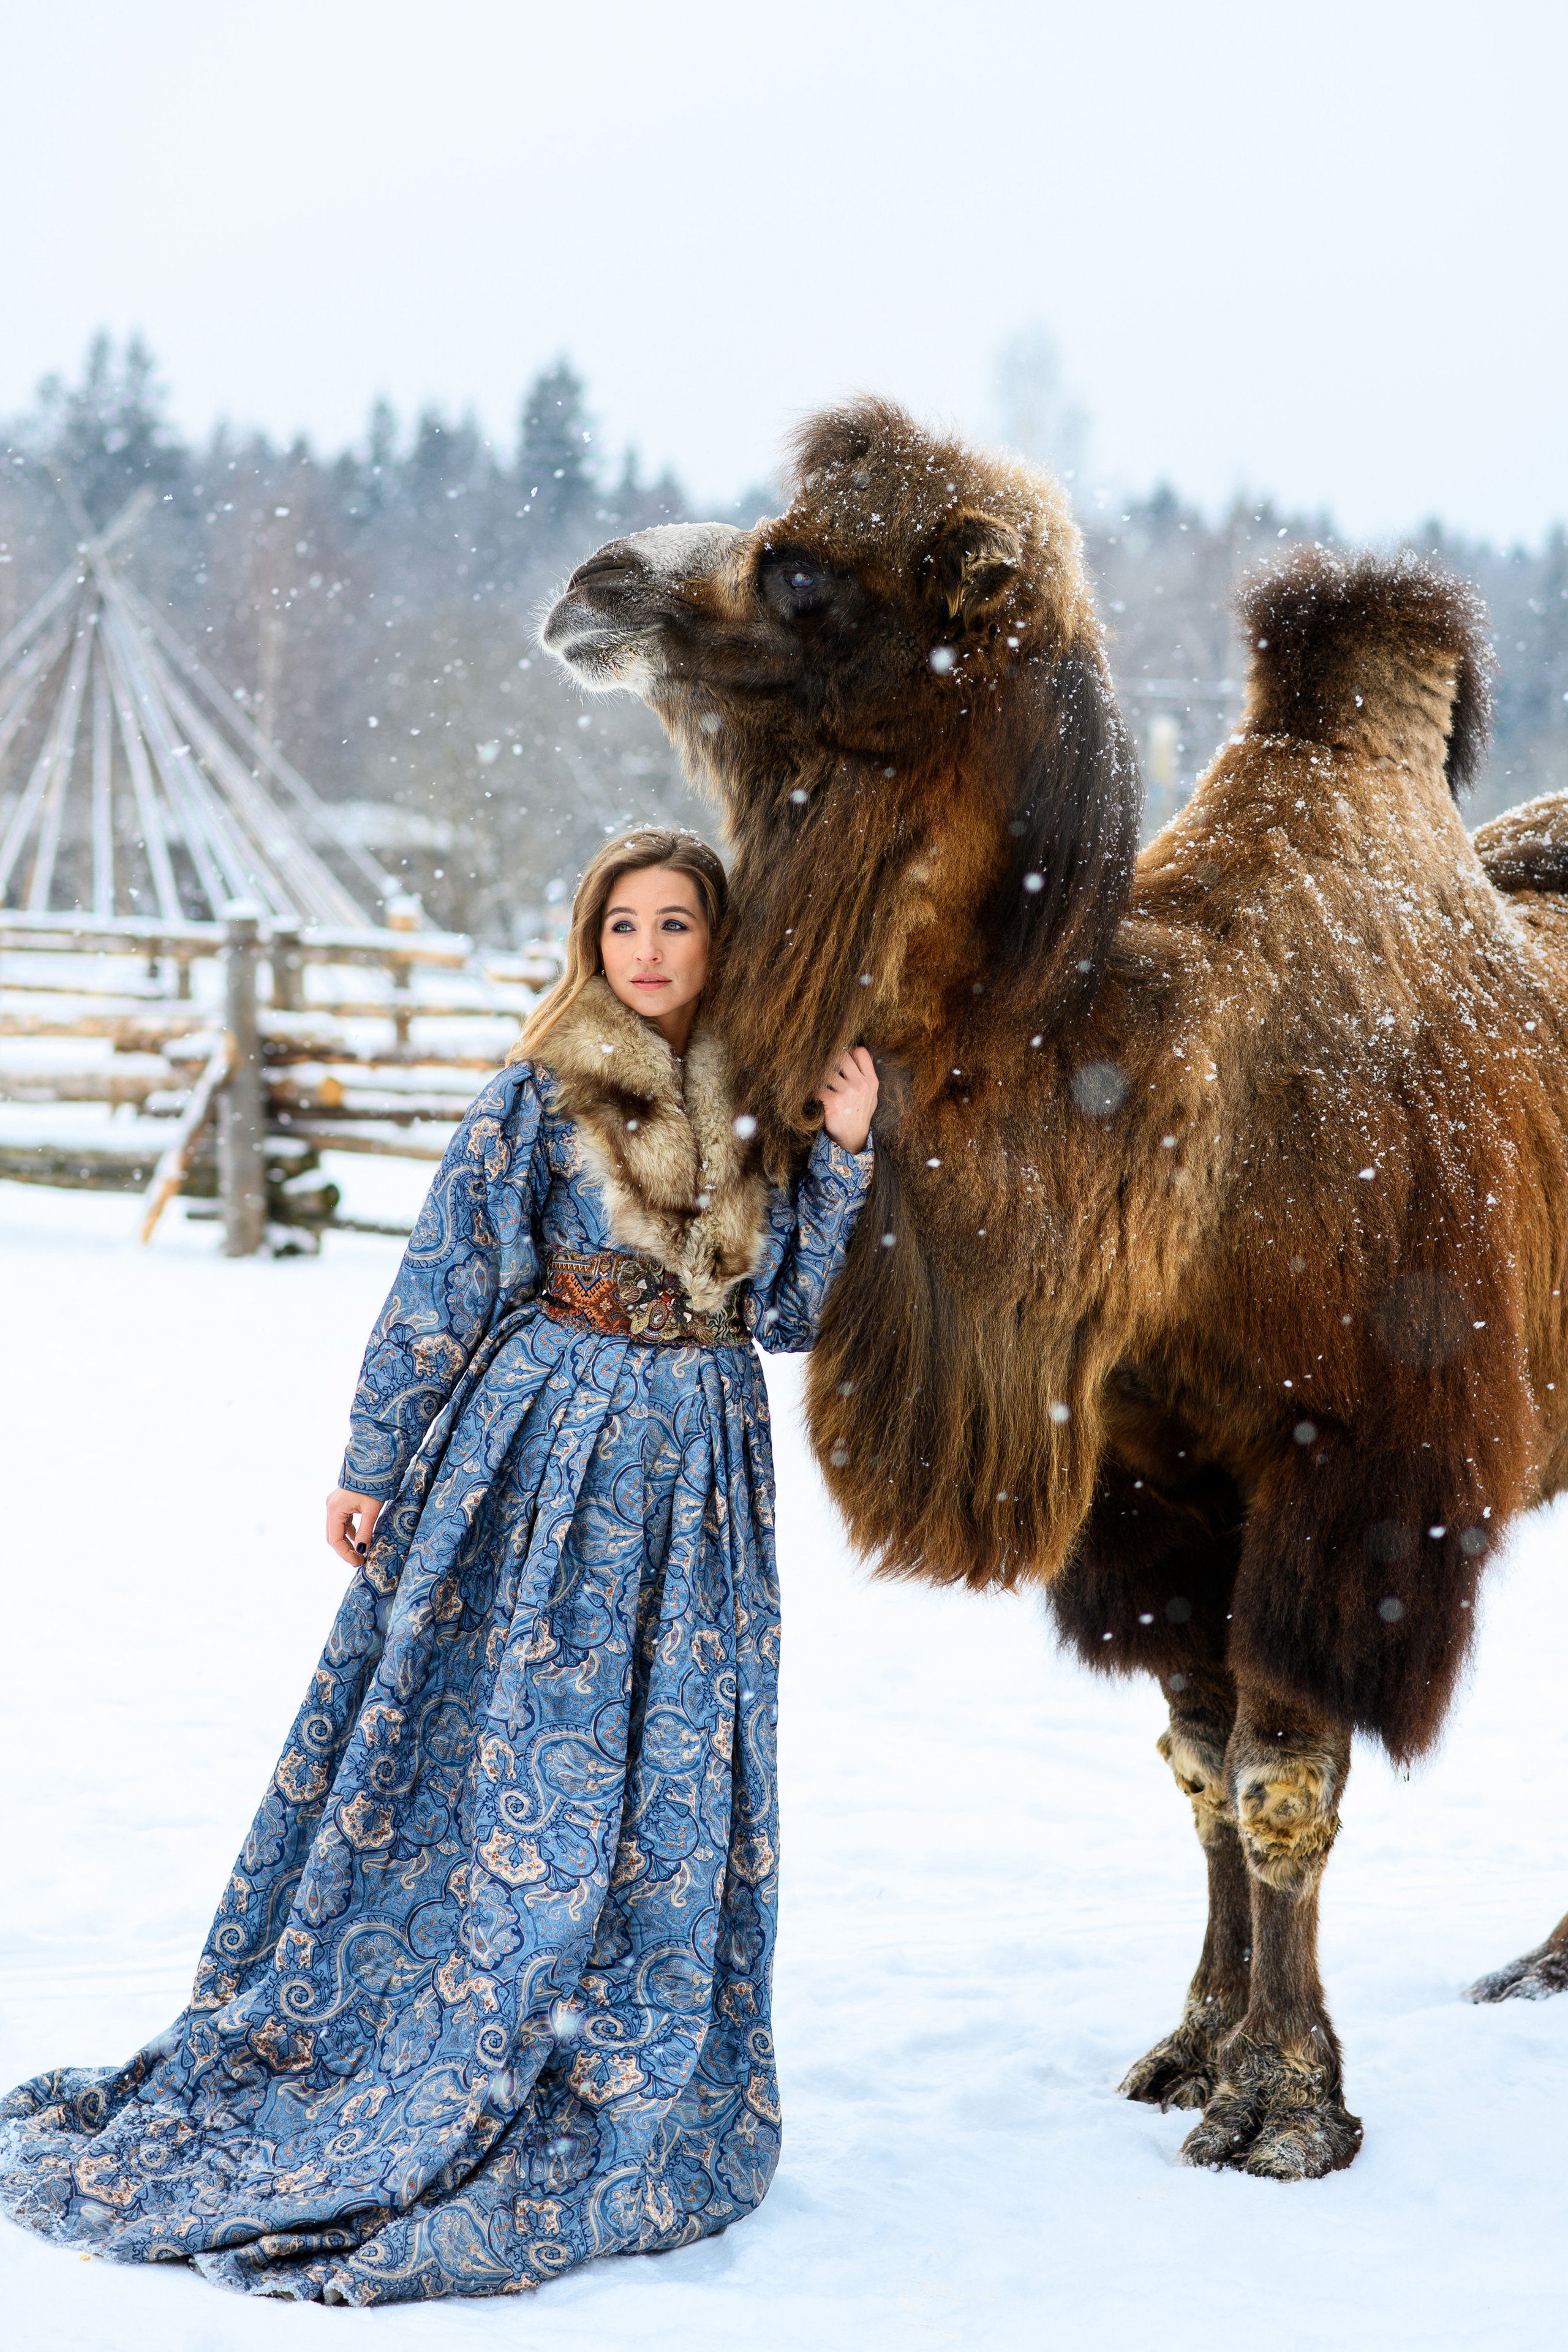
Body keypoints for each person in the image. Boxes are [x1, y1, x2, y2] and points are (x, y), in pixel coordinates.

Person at [0, 827, 876, 2306]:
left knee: (665, 1763)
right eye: (621, 927)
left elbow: (783, 1312)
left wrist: (843, 1161)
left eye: (676, 924)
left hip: (699, 1477)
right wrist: (373, 1458)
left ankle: (613, 2033)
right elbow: (444, 1283)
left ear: (720, 944)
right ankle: (440, 2014)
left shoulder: (762, 1112)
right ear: (587, 944)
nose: (649, 951)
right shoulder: (537, 1096)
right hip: (532, 1460)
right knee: (505, 1749)